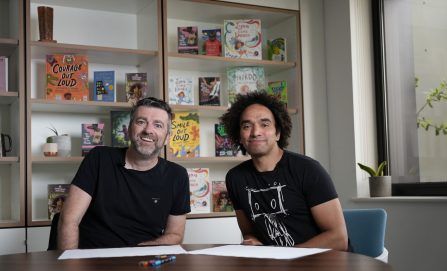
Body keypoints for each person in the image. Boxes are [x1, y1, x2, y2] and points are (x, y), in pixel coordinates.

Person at [219, 91, 349, 250]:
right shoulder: (235, 178)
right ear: (239, 136)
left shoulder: (308, 169)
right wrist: (251, 240)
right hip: (276, 268)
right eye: (246, 126)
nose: (255, 132)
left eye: (265, 124)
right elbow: (249, 232)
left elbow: (338, 238)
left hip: (323, 265)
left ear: (278, 133)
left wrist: (287, 257)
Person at [58, 97, 191, 250]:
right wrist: (70, 268)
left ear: (167, 137)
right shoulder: (99, 158)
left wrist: (136, 252)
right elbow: (69, 220)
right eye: (141, 122)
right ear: (128, 129)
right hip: (92, 261)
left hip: (144, 262)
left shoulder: (177, 175)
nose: (148, 130)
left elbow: (175, 235)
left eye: (158, 125)